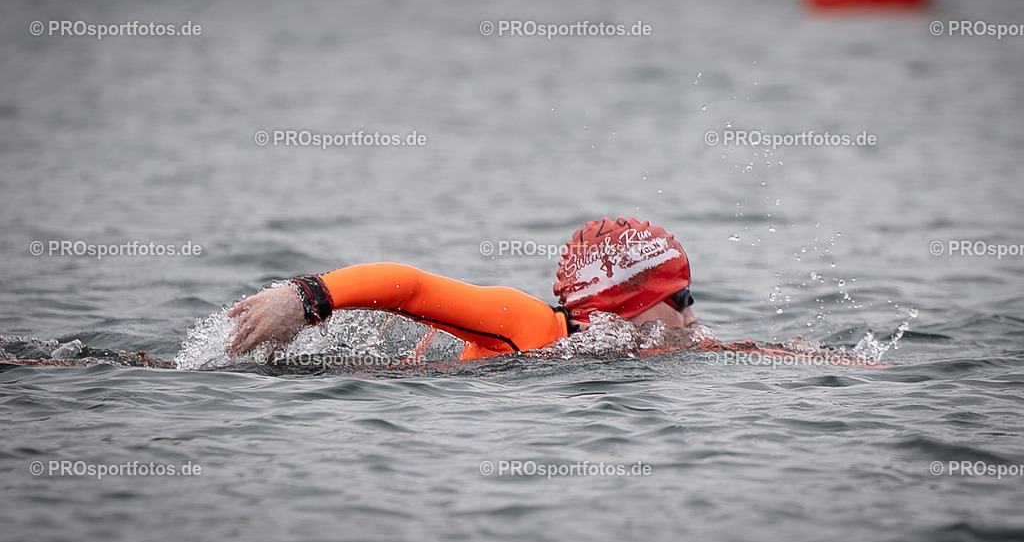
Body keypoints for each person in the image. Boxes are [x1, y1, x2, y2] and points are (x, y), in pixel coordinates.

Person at [226, 217, 698, 360]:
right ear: (630, 302)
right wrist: (302, 299)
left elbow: (724, 352)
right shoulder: (528, 324)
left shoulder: (632, 351)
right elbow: (407, 287)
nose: (692, 314)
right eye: (682, 298)